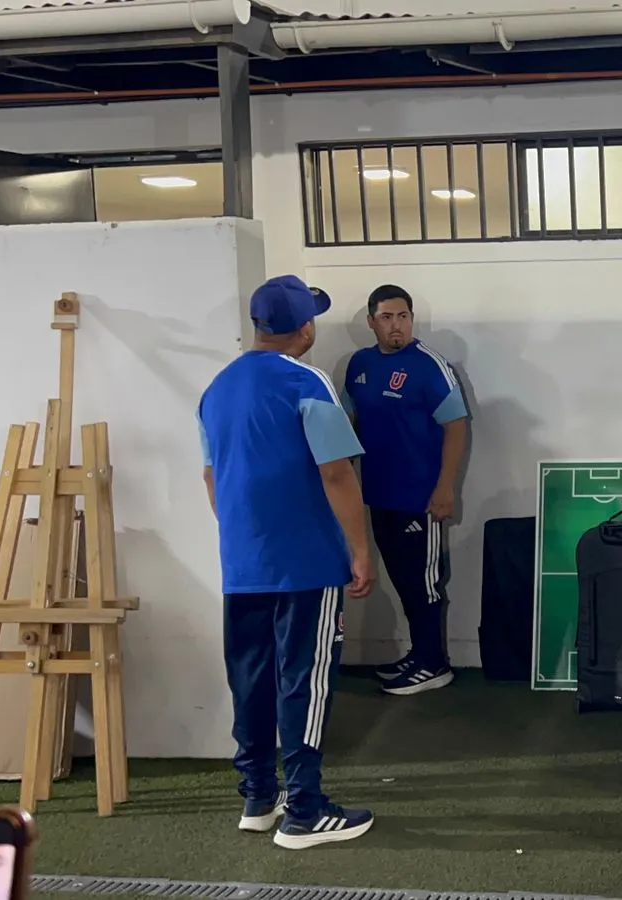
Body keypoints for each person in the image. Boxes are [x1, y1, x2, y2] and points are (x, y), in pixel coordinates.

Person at [199, 275, 377, 850]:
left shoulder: (217, 389)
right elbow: (336, 472)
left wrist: (244, 538)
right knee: (306, 678)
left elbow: (211, 477)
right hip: (306, 563)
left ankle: (258, 797)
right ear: (305, 327)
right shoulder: (307, 381)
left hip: (242, 563)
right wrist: (360, 550)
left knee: (250, 677)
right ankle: (305, 810)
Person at [344, 284, 471, 696]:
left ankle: (434, 664)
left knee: (424, 583)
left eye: (403, 316)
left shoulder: (429, 365)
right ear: (372, 322)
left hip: (420, 498)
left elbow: (456, 426)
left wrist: (445, 488)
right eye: (387, 317)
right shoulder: (359, 365)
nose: (396, 325)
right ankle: (418, 656)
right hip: (379, 494)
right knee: (400, 578)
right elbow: (351, 421)